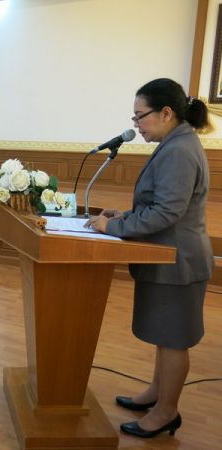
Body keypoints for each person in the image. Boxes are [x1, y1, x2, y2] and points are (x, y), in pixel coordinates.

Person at [86, 78, 213, 439]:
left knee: (173, 340)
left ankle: (166, 412)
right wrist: (125, 216)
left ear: (166, 113)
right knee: (165, 334)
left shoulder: (179, 150)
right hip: (168, 257)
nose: (136, 124)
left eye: (140, 116)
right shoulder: (176, 142)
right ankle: (157, 394)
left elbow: (167, 213)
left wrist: (113, 227)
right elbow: (161, 205)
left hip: (178, 262)